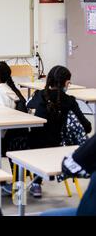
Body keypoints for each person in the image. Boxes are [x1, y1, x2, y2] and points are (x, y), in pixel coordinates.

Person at [27, 65, 91, 198]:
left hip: (31, 147)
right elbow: (87, 127)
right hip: (61, 148)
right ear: (67, 83)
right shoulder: (70, 101)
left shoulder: (38, 96)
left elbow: (26, 109)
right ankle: (36, 182)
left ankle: (30, 183)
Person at [0, 61, 29, 195]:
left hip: (8, 134)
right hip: (19, 131)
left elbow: (3, 115)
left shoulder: (1, 90)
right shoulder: (11, 88)